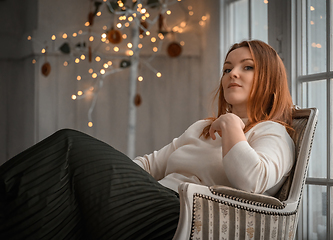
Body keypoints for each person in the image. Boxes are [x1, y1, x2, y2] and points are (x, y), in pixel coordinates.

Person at [0, 40, 295, 240]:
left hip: (184, 217)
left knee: (69, 144)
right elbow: (150, 165)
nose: (232, 74)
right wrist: (104, 176)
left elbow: (254, 183)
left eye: (247, 66)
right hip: (151, 201)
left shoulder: (273, 132)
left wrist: (232, 124)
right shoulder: (202, 128)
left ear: (269, 78)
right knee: (60, 196)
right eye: (227, 68)